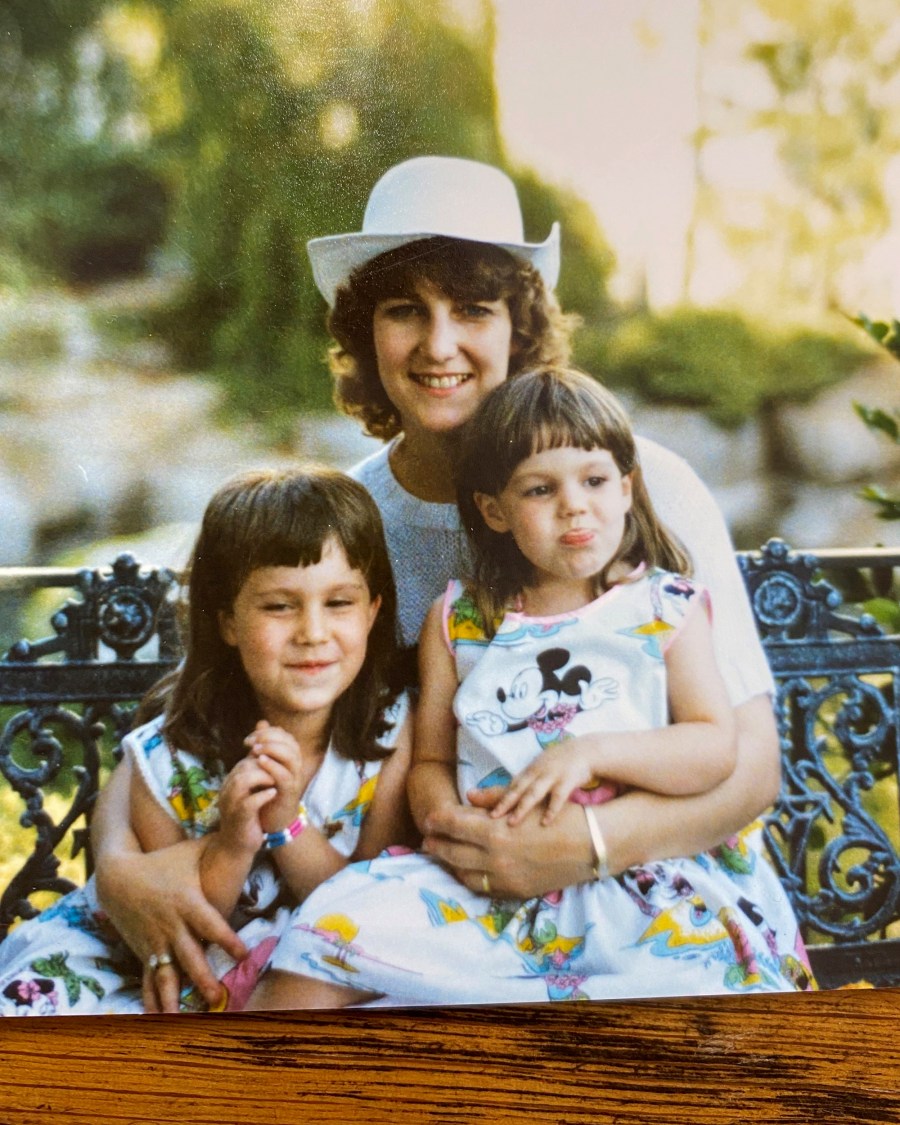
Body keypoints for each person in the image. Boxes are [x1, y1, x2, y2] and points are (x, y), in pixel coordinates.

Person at [90, 155, 784, 1012]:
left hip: (642, 878)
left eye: (474, 309)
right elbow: (207, 694)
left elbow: (751, 770)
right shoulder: (351, 515)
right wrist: (117, 865)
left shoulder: (634, 487)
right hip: (431, 886)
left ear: (519, 330)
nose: (439, 343)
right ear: (364, 333)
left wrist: (588, 845)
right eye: (403, 310)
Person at [245, 369, 812, 1009]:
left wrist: (591, 754)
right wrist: (445, 820)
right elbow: (431, 761)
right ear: (494, 510)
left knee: (692, 1000)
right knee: (317, 952)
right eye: (541, 489)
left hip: (643, 880)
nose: (574, 505)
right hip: (484, 875)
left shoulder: (665, 609)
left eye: (594, 481)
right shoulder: (460, 622)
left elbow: (715, 748)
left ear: (626, 490)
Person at [0, 467, 413, 1015]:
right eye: (279, 606)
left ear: (373, 611)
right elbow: (175, 919)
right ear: (227, 622)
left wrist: (286, 821)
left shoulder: (390, 731)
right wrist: (235, 840)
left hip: (307, 956)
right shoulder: (171, 754)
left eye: (338, 603)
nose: (313, 632)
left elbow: (359, 901)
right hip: (160, 955)